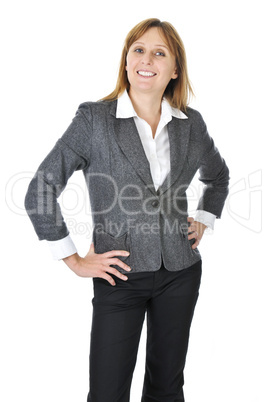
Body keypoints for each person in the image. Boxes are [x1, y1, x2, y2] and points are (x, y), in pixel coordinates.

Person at [25, 18, 229, 402]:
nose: (146, 59)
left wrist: (204, 217)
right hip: (118, 274)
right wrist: (72, 258)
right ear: (125, 61)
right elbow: (40, 188)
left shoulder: (191, 125)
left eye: (159, 52)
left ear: (174, 69)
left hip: (180, 273)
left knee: (167, 388)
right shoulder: (94, 120)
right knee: (106, 392)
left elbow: (218, 177)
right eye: (138, 49)